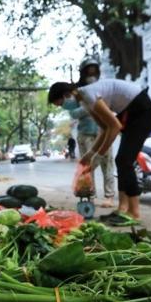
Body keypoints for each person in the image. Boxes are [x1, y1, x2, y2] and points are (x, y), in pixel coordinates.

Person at [48, 78, 151, 224]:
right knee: (122, 161)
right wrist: (90, 154)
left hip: (143, 111)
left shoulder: (88, 94)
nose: (64, 107)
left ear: (68, 94)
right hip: (129, 113)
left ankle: (134, 212)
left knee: (124, 161)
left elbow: (114, 127)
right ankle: (122, 209)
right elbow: (104, 128)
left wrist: (99, 155)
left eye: (61, 103)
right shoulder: (85, 102)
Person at [61, 58, 115, 207]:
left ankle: (109, 196)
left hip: (104, 132)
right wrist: (89, 107)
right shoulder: (79, 92)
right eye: (88, 71)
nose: (91, 74)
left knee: (108, 164)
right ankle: (89, 195)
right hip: (85, 134)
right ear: (83, 73)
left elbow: (112, 108)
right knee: (87, 166)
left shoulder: (104, 88)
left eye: (94, 70)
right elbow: (72, 113)